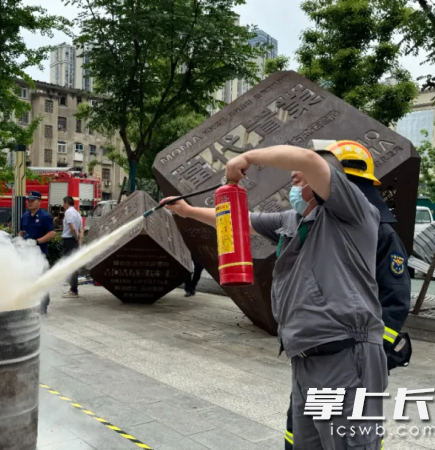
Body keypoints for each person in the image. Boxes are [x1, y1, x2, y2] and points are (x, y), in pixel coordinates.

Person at [162, 144, 387, 450]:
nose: (292, 187)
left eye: (297, 180)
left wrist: (248, 158)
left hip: (345, 353)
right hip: (305, 357)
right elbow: (240, 220)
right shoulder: (292, 221)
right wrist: (186, 211)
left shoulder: (352, 213)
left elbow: (309, 159)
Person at [281, 141, 413, 449]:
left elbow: (394, 301)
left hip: (351, 361)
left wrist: (376, 355)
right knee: (299, 433)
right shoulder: (321, 222)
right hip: (314, 357)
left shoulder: (378, 231)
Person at [19, 191, 56, 314]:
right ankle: (29, 304)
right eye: (28, 200)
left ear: (39, 201)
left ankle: (43, 307)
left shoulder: (45, 217)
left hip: (39, 254)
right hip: (26, 254)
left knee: (41, 281)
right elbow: (21, 231)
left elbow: (52, 233)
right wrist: (19, 240)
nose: (29, 202)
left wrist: (37, 242)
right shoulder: (25, 216)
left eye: (32, 200)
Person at [61, 196, 83, 298]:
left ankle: (73, 291)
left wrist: (75, 237)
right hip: (74, 241)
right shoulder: (77, 213)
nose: (62, 205)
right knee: (73, 265)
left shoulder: (68, 212)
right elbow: (81, 229)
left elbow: (73, 228)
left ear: (66, 203)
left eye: (63, 203)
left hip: (69, 241)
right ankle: (73, 289)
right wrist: (79, 241)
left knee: (70, 265)